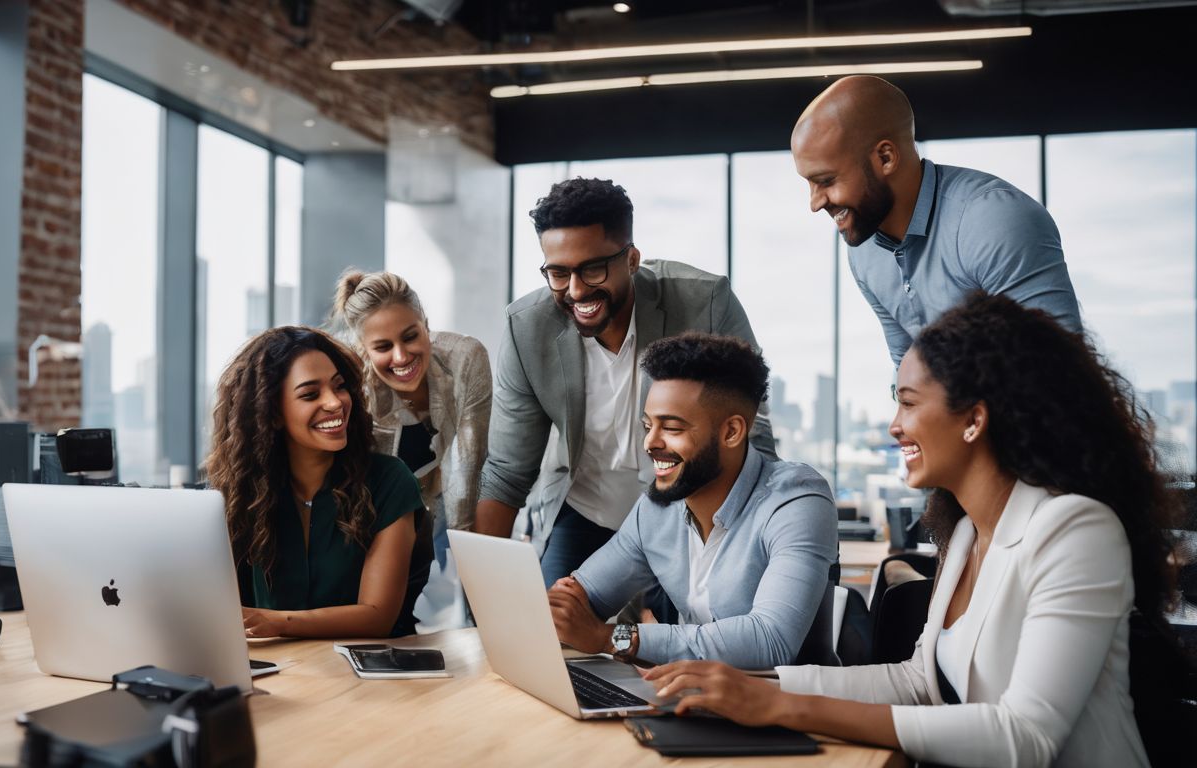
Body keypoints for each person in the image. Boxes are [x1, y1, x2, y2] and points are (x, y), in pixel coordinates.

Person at [645, 293, 1178, 767]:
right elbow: (918, 682)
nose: (894, 425)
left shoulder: (1075, 529)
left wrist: (784, 706)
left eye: (907, 402)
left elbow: (1024, 737)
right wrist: (753, 686)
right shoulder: (967, 534)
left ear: (973, 419)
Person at [474, 176, 778, 588]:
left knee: (684, 642)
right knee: (551, 634)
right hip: (584, 511)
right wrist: (485, 592)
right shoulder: (526, 329)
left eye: (592, 269)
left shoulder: (705, 304)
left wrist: (761, 549)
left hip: (685, 512)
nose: (576, 291)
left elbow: (750, 438)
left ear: (632, 259)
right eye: (558, 273)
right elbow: (508, 471)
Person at [548, 333, 836, 668]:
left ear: (731, 432)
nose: (650, 443)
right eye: (648, 425)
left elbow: (770, 641)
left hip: (785, 706)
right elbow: (584, 597)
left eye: (671, 428)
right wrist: (559, 609)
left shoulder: (797, 501)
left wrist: (613, 638)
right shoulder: (656, 509)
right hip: (689, 697)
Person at [791, 75, 1082, 367]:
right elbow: (907, 373)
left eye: (826, 180)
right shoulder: (864, 251)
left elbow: (1057, 371)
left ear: (886, 158)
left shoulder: (991, 219)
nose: (815, 203)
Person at [206, 326, 432, 639]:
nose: (335, 403)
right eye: (311, 394)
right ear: (272, 414)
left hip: (373, 674)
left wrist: (276, 622)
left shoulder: (389, 480)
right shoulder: (242, 492)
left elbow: (377, 616)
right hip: (280, 671)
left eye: (339, 387)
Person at [332, 270, 491, 629]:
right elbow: (366, 486)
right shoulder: (356, 387)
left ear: (426, 325)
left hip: (455, 492)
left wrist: (472, 575)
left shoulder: (466, 358)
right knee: (398, 608)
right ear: (364, 350)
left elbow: (466, 469)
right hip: (392, 506)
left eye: (410, 336)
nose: (401, 357)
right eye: (383, 347)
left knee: (473, 598)